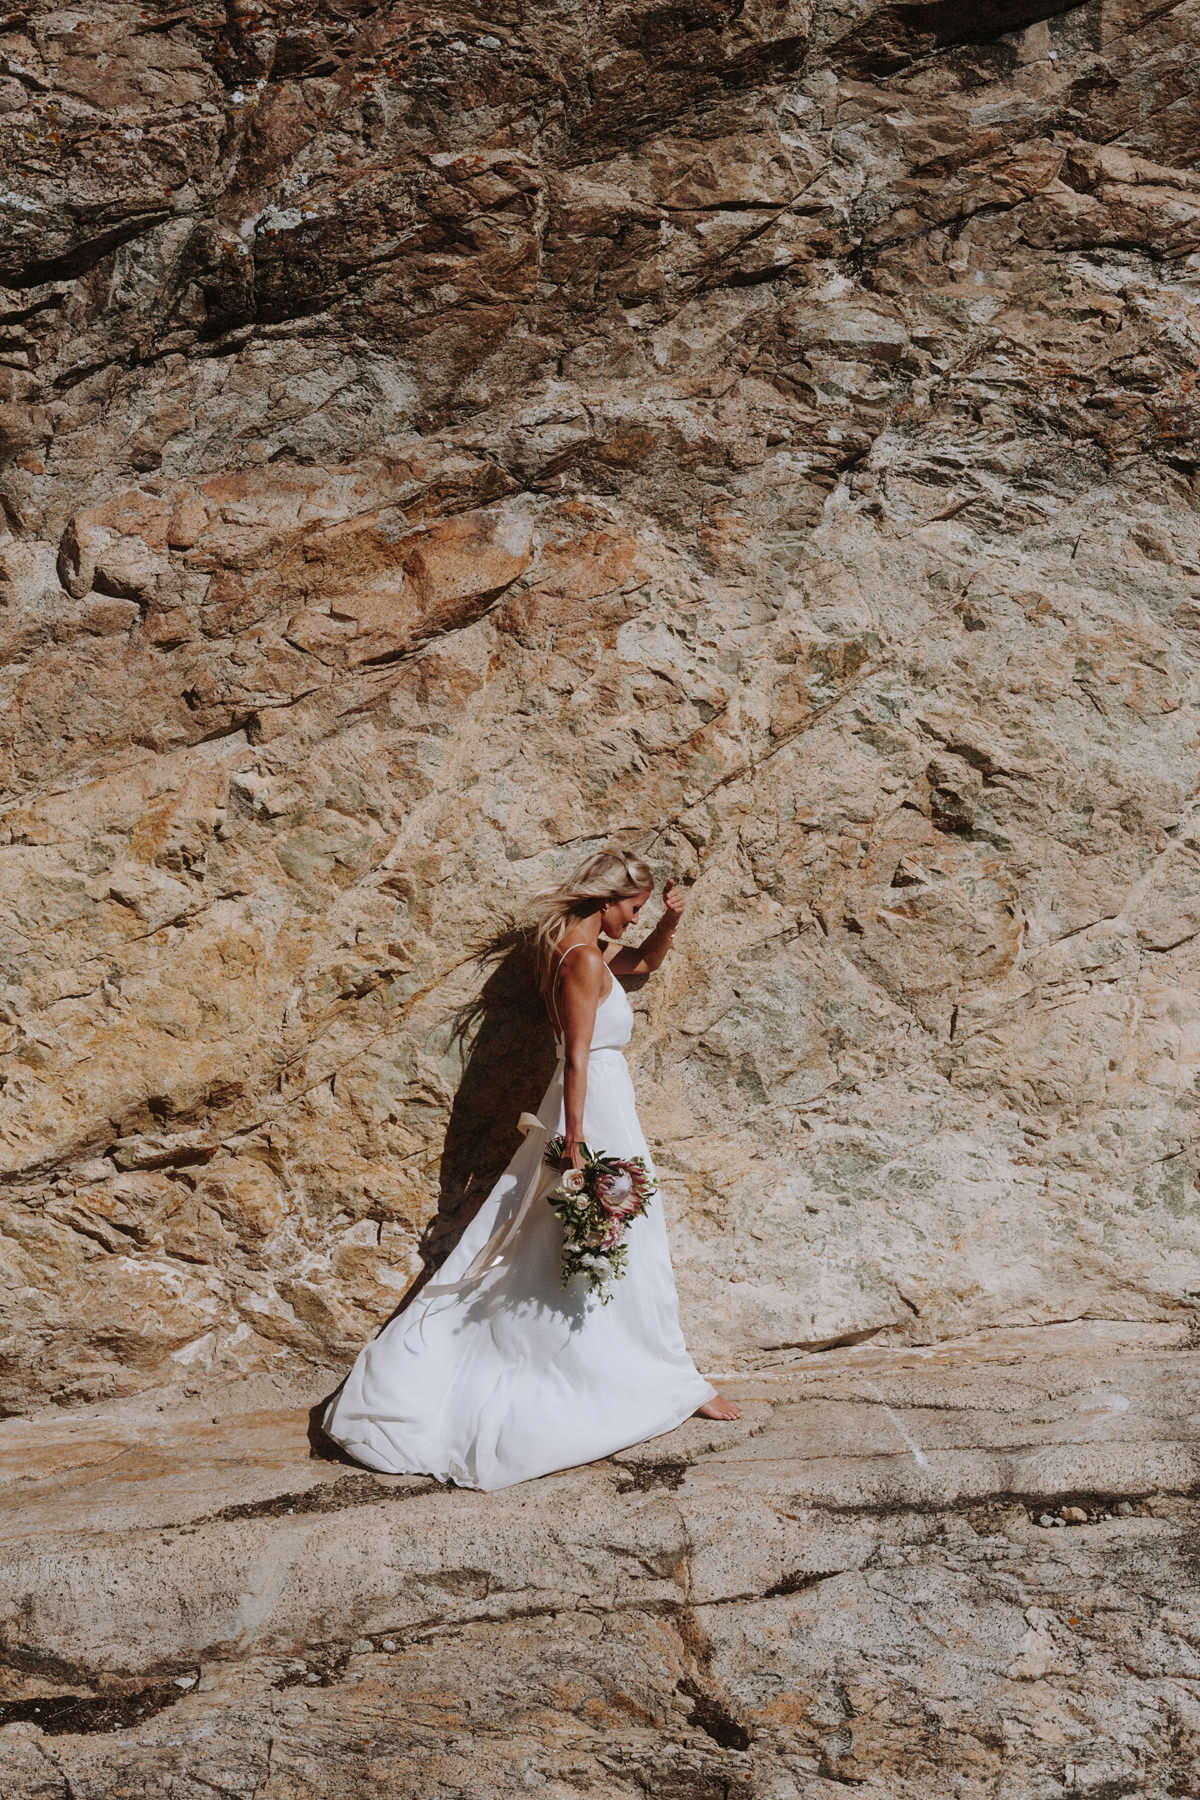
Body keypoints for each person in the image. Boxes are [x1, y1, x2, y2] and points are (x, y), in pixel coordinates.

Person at [320, 845, 742, 1491]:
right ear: (604, 902)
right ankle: (641, 1379)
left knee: (618, 1241)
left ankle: (665, 1376)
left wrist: (668, 921)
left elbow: (646, 964)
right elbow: (574, 1057)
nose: (632, 920)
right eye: (631, 908)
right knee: (607, 1240)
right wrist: (575, 1145)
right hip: (592, 1110)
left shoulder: (588, 954)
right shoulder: (578, 961)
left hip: (606, 1104)